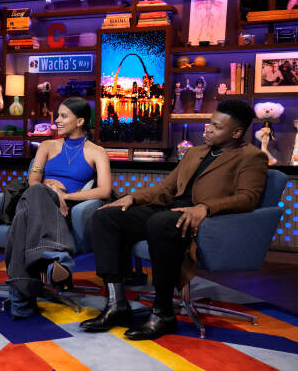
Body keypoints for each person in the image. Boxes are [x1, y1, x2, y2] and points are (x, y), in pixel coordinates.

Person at [80, 99, 268, 340]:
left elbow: (248, 198)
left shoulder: (252, 157)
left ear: (237, 132)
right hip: (169, 210)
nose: (208, 129)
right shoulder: (195, 152)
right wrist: (132, 198)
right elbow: (166, 189)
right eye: (210, 123)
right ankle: (116, 305)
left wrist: (205, 208)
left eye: (217, 126)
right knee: (106, 216)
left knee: (160, 223)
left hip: (201, 220)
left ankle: (163, 313)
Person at [5, 97, 112, 318]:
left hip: (66, 209)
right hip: (38, 199)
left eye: (64, 116)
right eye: (58, 116)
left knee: (22, 220)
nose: (57, 121)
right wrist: (51, 191)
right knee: (37, 191)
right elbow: (34, 180)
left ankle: (21, 303)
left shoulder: (97, 152)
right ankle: (56, 258)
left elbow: (104, 191)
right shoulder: (46, 146)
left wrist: (65, 195)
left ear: (80, 121)